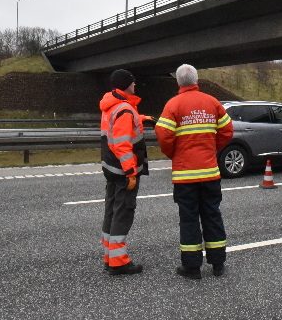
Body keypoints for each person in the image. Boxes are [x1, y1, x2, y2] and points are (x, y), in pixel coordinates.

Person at [155, 64, 233, 279]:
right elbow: (227, 131)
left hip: (185, 176)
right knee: (212, 215)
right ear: (196, 80)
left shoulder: (173, 105)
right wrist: (212, 148)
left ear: (179, 82)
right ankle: (218, 264)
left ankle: (192, 268)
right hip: (210, 173)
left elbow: (163, 135)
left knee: (189, 220)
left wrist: (176, 154)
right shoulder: (212, 102)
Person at [99, 69, 149, 275]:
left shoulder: (113, 105)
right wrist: (130, 172)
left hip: (111, 168)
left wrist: (141, 118)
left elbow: (117, 129)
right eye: (133, 82)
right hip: (123, 171)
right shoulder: (125, 110)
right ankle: (118, 262)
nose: (135, 85)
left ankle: (109, 256)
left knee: (111, 210)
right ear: (126, 85)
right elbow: (122, 144)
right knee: (123, 211)